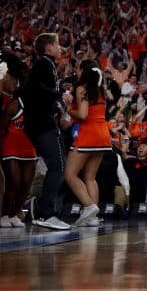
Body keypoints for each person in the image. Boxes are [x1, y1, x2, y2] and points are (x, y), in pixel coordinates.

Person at [22, 33, 71, 230]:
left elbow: (40, 91)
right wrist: (60, 96)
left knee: (58, 164)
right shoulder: (45, 64)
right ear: (49, 47)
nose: (60, 48)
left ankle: (42, 209)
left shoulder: (45, 65)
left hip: (39, 122)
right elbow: (36, 90)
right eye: (58, 44)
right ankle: (46, 213)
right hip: (41, 123)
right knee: (58, 164)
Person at [65, 60, 112, 227]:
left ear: (82, 70)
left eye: (77, 68)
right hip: (103, 135)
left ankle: (89, 206)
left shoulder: (81, 88)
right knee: (90, 177)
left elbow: (83, 114)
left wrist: (68, 108)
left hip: (88, 134)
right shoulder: (100, 90)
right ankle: (92, 218)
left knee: (70, 175)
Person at [0, 55, 34, 228]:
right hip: (11, 145)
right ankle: (4, 213)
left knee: (27, 182)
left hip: (30, 147)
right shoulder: (14, 104)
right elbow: (2, 127)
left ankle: (14, 213)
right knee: (15, 180)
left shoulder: (36, 105)